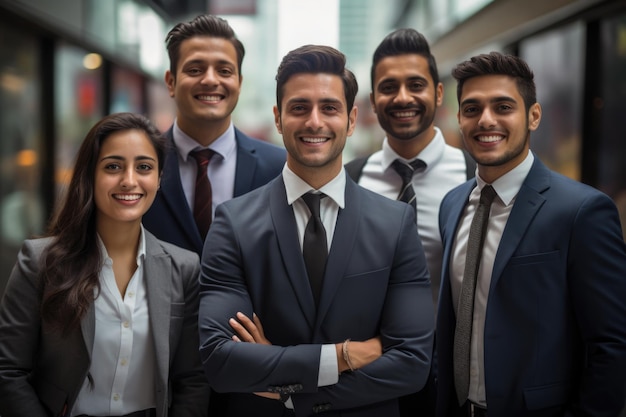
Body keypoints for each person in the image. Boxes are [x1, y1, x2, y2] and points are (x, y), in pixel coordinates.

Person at [197, 45, 435, 417]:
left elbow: (413, 363)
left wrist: (291, 391)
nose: (314, 122)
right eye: (299, 108)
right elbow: (220, 360)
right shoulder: (233, 223)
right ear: (278, 118)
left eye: (329, 108)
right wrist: (342, 356)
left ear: (352, 119)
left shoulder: (396, 222)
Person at [436, 51, 626, 416]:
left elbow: (612, 346)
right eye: (472, 109)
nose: (485, 120)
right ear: (460, 118)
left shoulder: (582, 212)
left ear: (533, 116)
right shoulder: (452, 204)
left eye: (503, 107)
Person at [0, 113, 209, 417]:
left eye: (144, 167)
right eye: (113, 166)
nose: (129, 180)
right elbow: (8, 370)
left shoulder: (185, 268)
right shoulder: (40, 261)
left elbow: (192, 378)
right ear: (90, 175)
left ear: (159, 178)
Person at [345, 28, 475, 311]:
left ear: (438, 93)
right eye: (388, 87)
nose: (403, 98)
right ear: (374, 101)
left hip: (455, 353)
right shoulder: (348, 181)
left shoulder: (476, 176)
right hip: (368, 351)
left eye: (416, 85)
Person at [143, 14, 286, 255]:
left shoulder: (279, 168)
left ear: (239, 83)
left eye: (224, 70)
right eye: (195, 69)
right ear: (170, 82)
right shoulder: (141, 165)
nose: (210, 80)